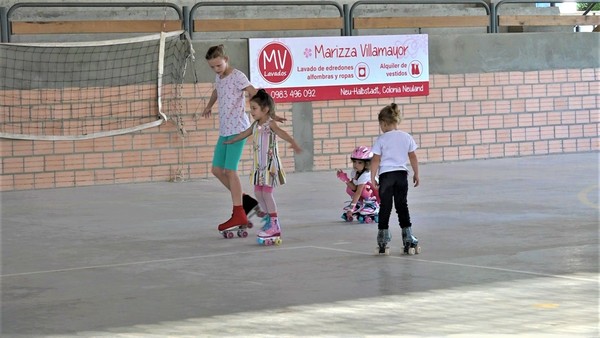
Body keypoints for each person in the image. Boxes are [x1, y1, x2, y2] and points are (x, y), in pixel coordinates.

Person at [202, 44, 283, 233]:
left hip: (238, 129)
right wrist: (208, 106)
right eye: (212, 67)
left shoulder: (237, 76)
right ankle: (245, 201)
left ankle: (238, 211)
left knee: (230, 170)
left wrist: (270, 113)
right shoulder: (219, 77)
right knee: (216, 169)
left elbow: (254, 92)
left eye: (218, 66)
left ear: (226, 60)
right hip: (224, 130)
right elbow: (216, 91)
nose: (216, 69)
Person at [224, 89, 302, 244]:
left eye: (254, 108)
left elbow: (281, 132)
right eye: (251, 108)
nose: (251, 111)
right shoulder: (255, 125)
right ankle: (268, 219)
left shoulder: (269, 124)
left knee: (266, 193)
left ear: (265, 110)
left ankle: (274, 224)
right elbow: (244, 133)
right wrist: (232, 141)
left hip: (270, 165)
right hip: (259, 166)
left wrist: (293, 142)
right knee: (258, 193)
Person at [370, 103, 421, 255]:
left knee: (385, 207)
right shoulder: (406, 137)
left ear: (384, 123)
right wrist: (416, 174)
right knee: (402, 206)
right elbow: (413, 157)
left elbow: (375, 160)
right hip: (401, 176)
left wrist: (373, 178)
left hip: (386, 177)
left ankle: (383, 238)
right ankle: (408, 236)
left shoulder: (381, 139)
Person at [336, 146, 380, 223]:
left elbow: (358, 192)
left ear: (367, 164)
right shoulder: (355, 172)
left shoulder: (366, 174)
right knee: (349, 188)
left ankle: (373, 205)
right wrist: (345, 180)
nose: (356, 165)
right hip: (363, 194)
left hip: (376, 196)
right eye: (354, 162)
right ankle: (360, 203)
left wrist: (351, 208)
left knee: (363, 189)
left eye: (360, 162)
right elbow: (353, 188)